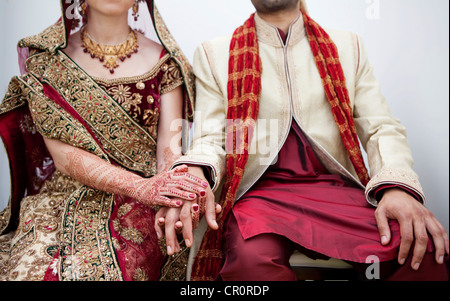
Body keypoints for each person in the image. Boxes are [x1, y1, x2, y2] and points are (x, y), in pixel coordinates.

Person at [158, 0, 449, 281]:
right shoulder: (214, 54)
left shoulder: (348, 46)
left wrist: (397, 188)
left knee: (422, 250)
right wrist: (194, 174)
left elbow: (380, 127)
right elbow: (213, 137)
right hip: (259, 198)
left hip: (334, 192)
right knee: (250, 262)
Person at [0, 0, 207, 281]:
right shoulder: (47, 60)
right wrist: (142, 187)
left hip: (142, 205)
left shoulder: (165, 63)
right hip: (62, 201)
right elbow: (63, 156)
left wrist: (171, 190)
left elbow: (169, 148)